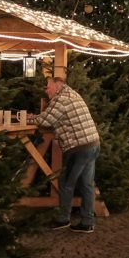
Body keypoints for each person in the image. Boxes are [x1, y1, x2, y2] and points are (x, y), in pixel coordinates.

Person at [35, 77, 100, 233]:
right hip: (92, 144)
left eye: (48, 87)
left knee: (65, 183)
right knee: (86, 184)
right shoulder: (72, 94)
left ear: (58, 86)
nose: (46, 90)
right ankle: (87, 222)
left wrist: (31, 118)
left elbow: (46, 120)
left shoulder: (61, 99)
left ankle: (63, 219)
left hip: (78, 147)